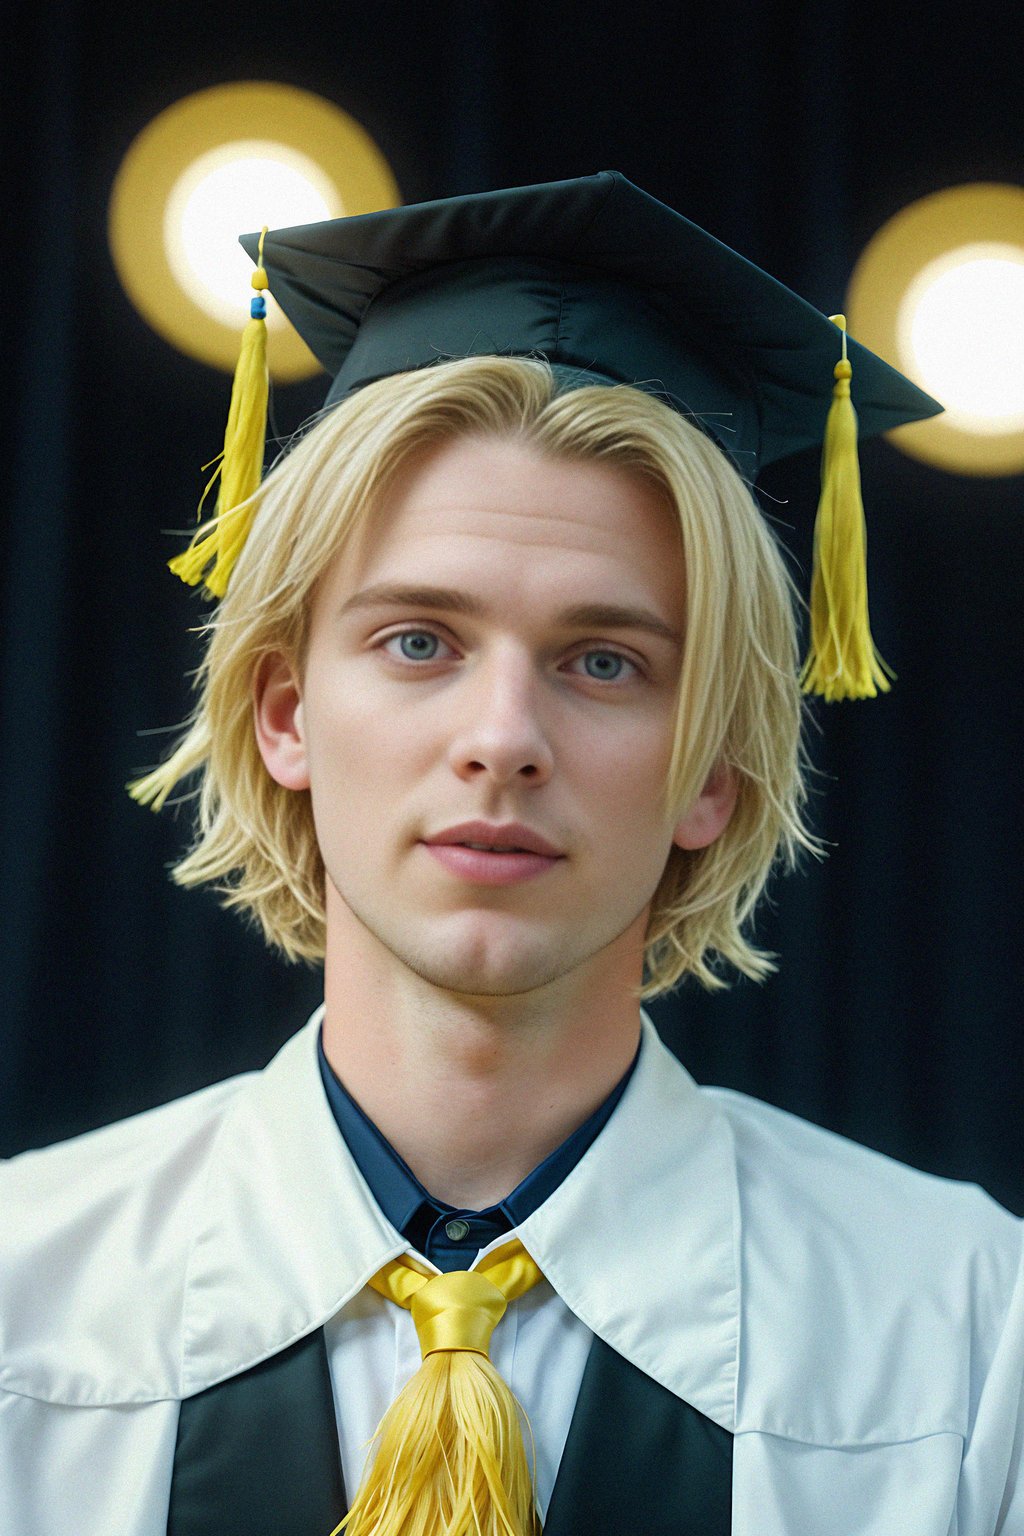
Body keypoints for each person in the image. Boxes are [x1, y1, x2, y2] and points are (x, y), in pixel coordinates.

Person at [2, 172, 1021, 1536]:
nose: (503, 738)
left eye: (604, 662)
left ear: (712, 774)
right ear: (288, 713)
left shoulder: (964, 1336)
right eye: (419, 641)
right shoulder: (24, 1301)